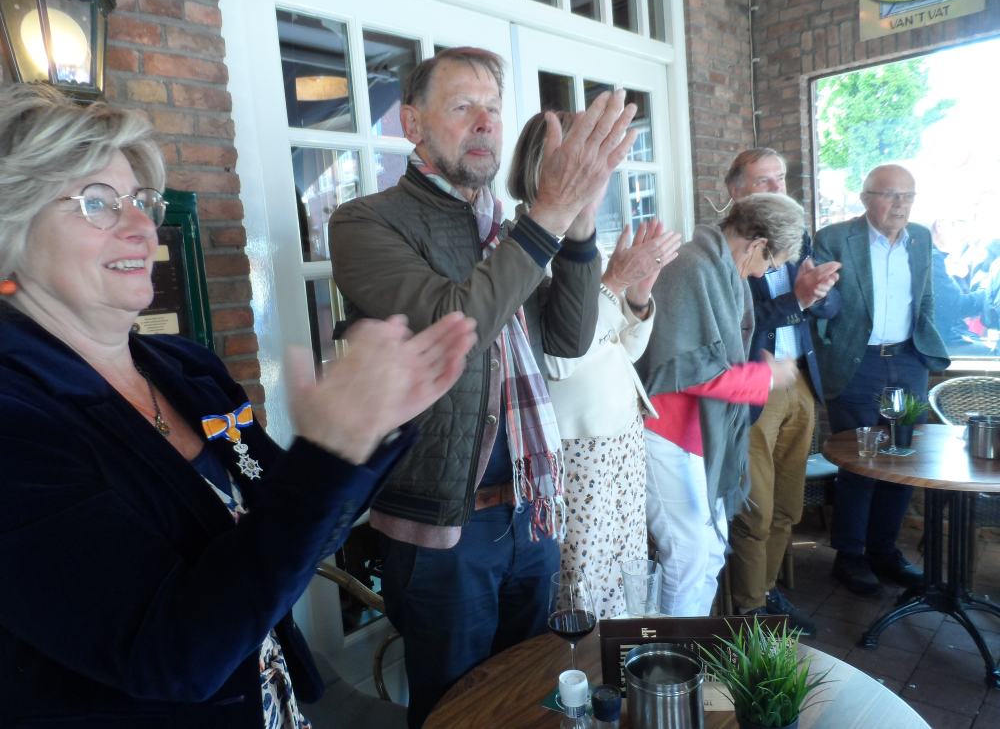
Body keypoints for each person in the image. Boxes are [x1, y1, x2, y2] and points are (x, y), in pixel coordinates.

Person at [0, 85, 478, 729]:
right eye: (97, 204)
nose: (144, 225)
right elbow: (170, 653)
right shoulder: (17, 420)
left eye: (143, 200)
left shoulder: (185, 369)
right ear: (11, 230)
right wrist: (328, 458)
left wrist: (365, 427)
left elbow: (291, 518)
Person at [327, 47, 637, 728]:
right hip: (446, 525)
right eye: (462, 106)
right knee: (454, 710)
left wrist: (580, 225)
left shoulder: (505, 223)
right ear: (413, 123)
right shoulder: (365, 222)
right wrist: (549, 217)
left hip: (532, 509)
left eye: (493, 108)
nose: (485, 124)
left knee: (529, 694)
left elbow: (566, 336)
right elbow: (453, 324)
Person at [506, 111, 681, 618]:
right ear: (546, 166)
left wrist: (639, 298)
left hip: (620, 439)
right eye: (586, 157)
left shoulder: (583, 239)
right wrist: (615, 282)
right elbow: (559, 360)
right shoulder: (525, 242)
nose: (599, 173)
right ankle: (583, 684)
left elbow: (623, 350)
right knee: (581, 591)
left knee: (623, 578)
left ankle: (618, 677)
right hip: (576, 448)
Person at [636, 193, 803, 616]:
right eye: (772, 262)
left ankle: (690, 654)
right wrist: (766, 376)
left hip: (694, 438)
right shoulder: (691, 267)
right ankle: (670, 665)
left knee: (709, 553)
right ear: (756, 244)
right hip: (663, 433)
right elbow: (691, 372)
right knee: (689, 556)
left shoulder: (719, 270)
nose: (768, 272)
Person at [813, 164, 951, 597]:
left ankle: (884, 551)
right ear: (865, 197)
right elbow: (820, 303)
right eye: (890, 195)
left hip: (907, 362)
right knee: (860, 459)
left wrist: (923, 338)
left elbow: (924, 294)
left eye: (908, 196)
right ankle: (849, 555)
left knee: (901, 458)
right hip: (859, 363)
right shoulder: (835, 238)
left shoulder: (921, 238)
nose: (900, 205)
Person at [723, 149, 842, 635]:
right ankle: (749, 610)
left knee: (790, 505)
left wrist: (816, 293)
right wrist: (797, 298)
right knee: (757, 508)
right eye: (763, 181)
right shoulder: (727, 252)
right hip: (756, 387)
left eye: (781, 179)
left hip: (800, 384)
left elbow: (831, 307)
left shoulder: (800, 237)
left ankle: (769, 592)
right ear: (736, 192)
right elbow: (739, 326)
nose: (777, 188)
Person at [930, 218, 990, 354]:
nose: (961, 232)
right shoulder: (931, 257)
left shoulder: (930, 254)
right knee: (993, 354)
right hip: (936, 342)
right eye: (956, 224)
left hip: (942, 334)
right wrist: (989, 291)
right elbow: (956, 307)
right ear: (939, 225)